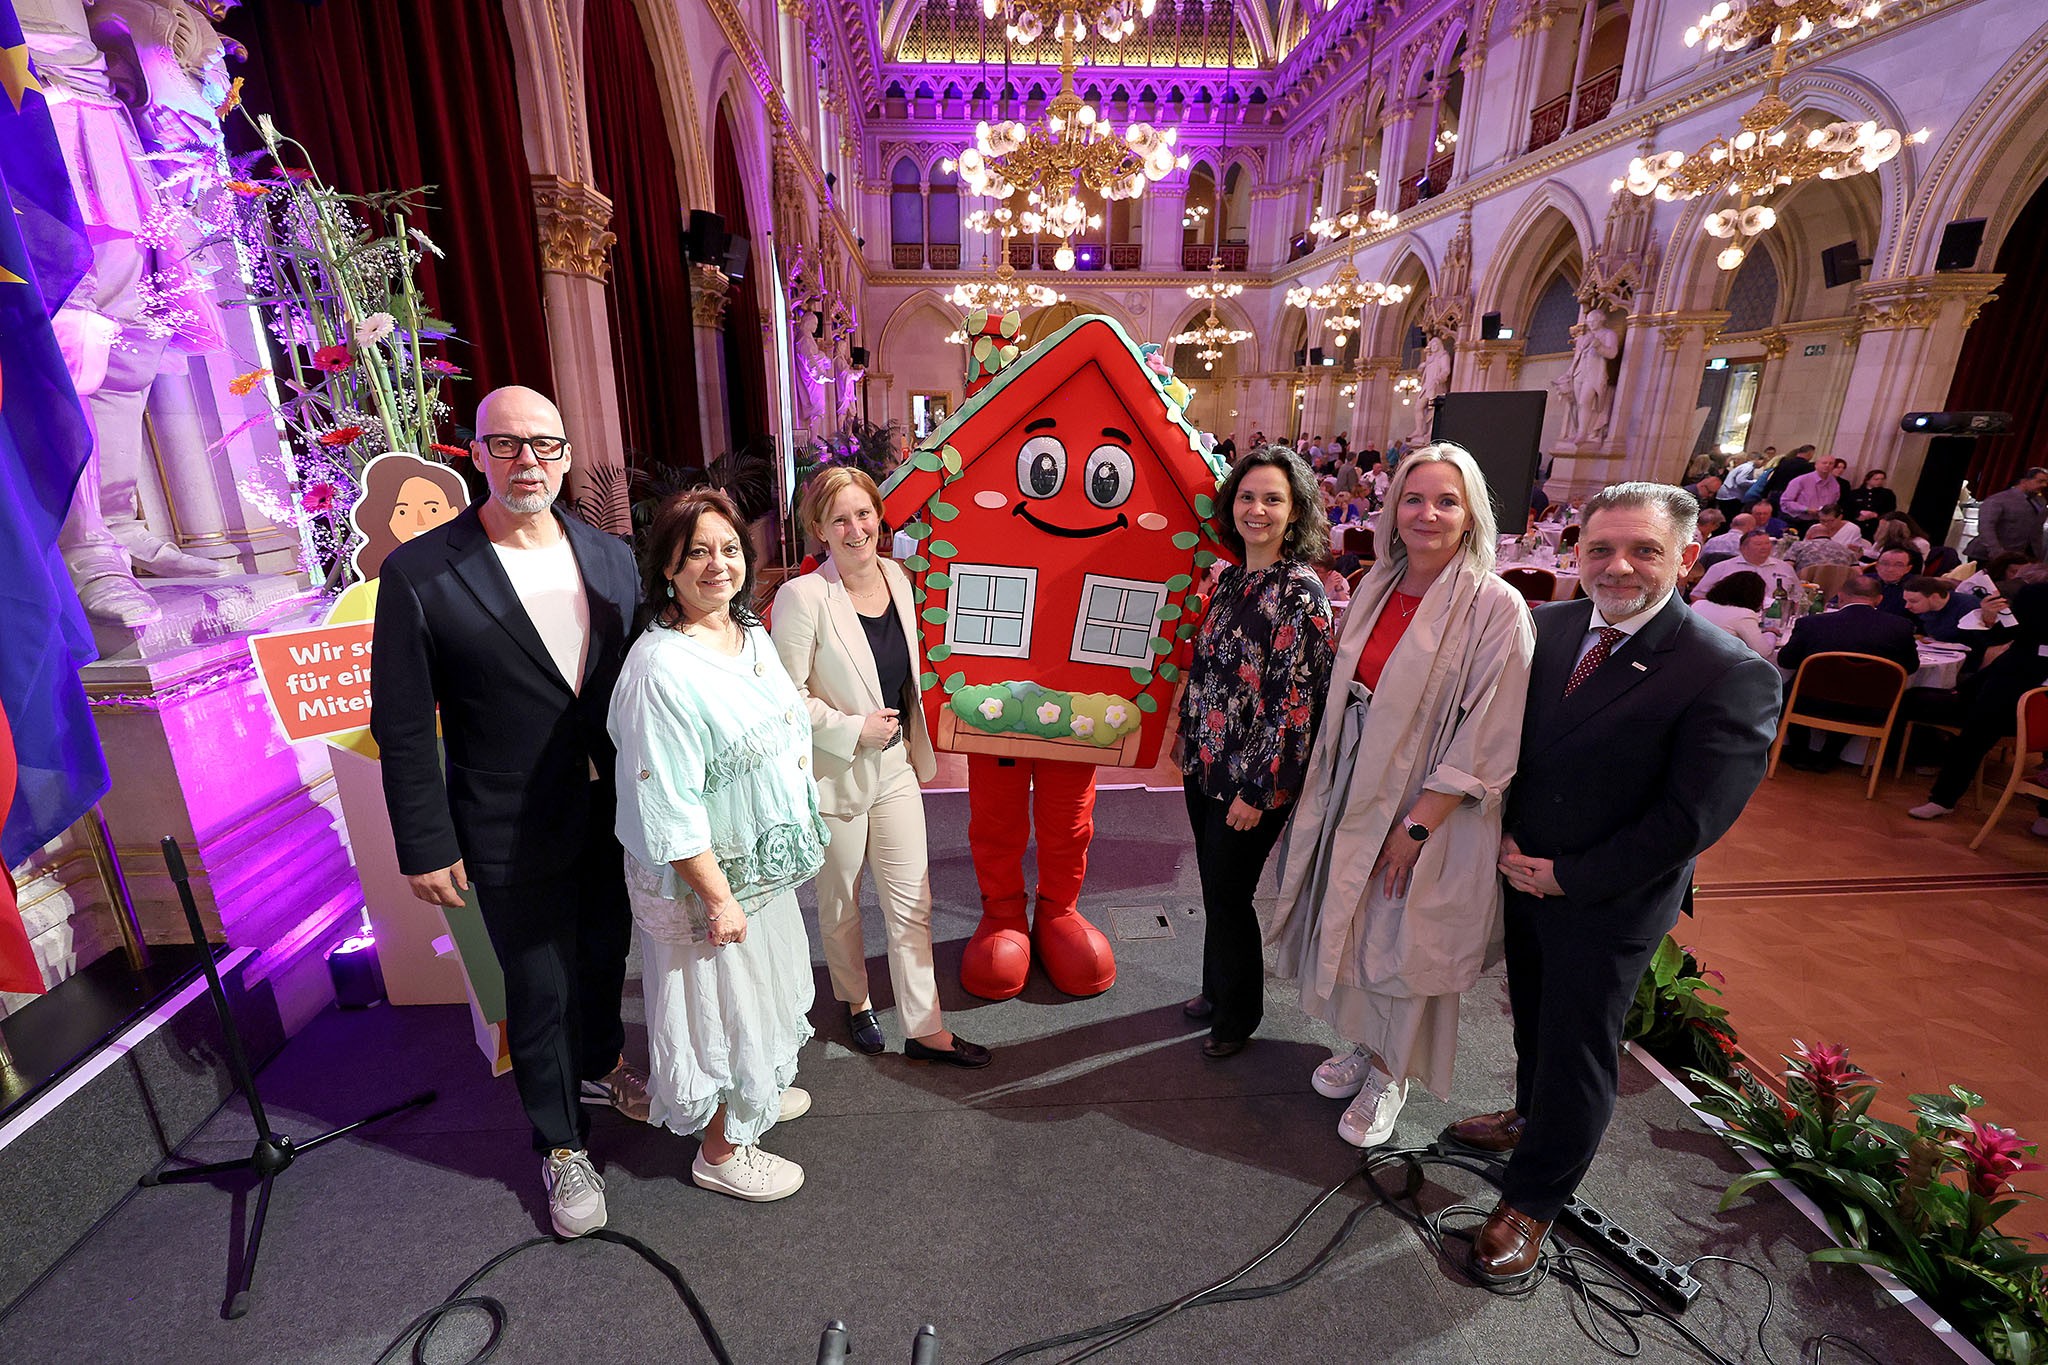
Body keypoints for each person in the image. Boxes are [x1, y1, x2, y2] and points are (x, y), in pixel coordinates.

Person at [1452, 482, 1780, 1287]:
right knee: (1532, 1015)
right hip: (1521, 872)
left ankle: (1534, 1198)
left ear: (1688, 557)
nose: (1618, 566)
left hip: (1608, 899)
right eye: (1600, 548)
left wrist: (1569, 877)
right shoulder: (1549, 626)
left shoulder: (1725, 670)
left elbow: (1688, 820)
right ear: (1576, 552)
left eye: (1644, 550)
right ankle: (1530, 1117)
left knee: (1579, 1049)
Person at [371, 387, 645, 1239]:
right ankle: (560, 1142)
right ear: (477, 453)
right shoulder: (422, 572)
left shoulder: (611, 555)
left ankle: (599, 1063)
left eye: (545, 444)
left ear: (566, 453)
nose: (529, 460)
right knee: (537, 985)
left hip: (613, 809)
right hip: (504, 820)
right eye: (508, 444)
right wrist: (424, 840)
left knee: (606, 954)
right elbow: (406, 723)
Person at [1267, 443, 1533, 1147]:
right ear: (1393, 509)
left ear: (1472, 514)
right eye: (1414, 499)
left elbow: (1490, 731)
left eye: (1447, 500)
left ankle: (1392, 1071)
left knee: (1403, 936)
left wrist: (1418, 825)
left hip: (1429, 802)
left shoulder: (1495, 605)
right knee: (1355, 920)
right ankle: (1362, 1041)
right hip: (1358, 778)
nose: (1428, 513)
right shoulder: (1380, 581)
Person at [610, 489, 829, 1203]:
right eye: (697, 551)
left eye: (729, 548)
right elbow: (665, 803)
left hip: (757, 867)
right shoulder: (659, 669)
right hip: (712, 885)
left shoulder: (749, 632)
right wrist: (717, 896)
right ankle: (721, 1147)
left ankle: (754, 1094)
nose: (717, 564)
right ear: (667, 566)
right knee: (725, 1007)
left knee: (761, 998)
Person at [770, 468, 990, 1069]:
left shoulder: (898, 577)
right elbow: (783, 697)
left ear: (879, 516)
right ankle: (856, 1000)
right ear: (818, 529)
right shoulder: (801, 597)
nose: (855, 528)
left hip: (894, 770)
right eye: (839, 518)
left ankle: (926, 1028)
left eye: (863, 513)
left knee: (911, 901)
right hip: (834, 775)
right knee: (840, 904)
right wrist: (850, 728)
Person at [1178, 447, 1338, 1059]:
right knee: (1216, 886)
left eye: (1273, 499)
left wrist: (1257, 789)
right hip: (1207, 763)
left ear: (1295, 512)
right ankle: (1217, 989)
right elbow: (1209, 675)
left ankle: (1237, 1015)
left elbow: (1297, 702)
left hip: (1254, 779)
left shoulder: (1300, 591)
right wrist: (1188, 743)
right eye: (1247, 497)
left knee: (1229, 892)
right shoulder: (1232, 578)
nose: (1257, 509)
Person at [1909, 581, 2048, 832]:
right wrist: (1989, 617)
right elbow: (2009, 633)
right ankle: (1943, 799)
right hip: (2014, 676)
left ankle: (2046, 813)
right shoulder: (2036, 592)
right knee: (1975, 735)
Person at [1773, 574, 1920, 771]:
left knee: (1786, 687)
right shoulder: (1901, 627)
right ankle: (1830, 754)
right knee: (1859, 689)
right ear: (1879, 599)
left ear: (1840, 596)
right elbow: (1910, 667)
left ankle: (1799, 750)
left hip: (1809, 702)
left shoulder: (1812, 624)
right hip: (1871, 707)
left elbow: (1785, 661)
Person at [1967, 468, 2048, 563]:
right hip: (1987, 556)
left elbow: (2037, 531)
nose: (2045, 485)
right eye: (2040, 481)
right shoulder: (1998, 500)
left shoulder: (2040, 502)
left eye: (2046, 482)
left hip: (2017, 556)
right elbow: (1986, 529)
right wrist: (1997, 553)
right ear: (2024, 481)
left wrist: (2037, 556)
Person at [1691, 570, 1776, 660]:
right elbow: (1763, 652)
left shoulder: (1699, 604)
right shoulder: (1743, 614)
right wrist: (1771, 634)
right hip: (1719, 664)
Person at [1693, 531, 1798, 599]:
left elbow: (1799, 596)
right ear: (1743, 548)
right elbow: (1697, 595)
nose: (1764, 547)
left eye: (1767, 543)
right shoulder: (1721, 568)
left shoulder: (1785, 568)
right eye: (1758, 544)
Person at [1901, 576, 1978, 643]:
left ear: (1935, 597)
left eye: (1913, 601)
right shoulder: (1923, 608)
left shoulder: (1968, 608)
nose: (1907, 606)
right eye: (1906, 601)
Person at [1780, 455, 1849, 528]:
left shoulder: (1835, 484)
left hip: (1819, 522)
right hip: (1796, 520)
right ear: (1816, 465)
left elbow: (1834, 503)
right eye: (1824, 463)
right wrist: (1806, 509)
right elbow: (1785, 502)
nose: (1827, 465)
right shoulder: (1800, 480)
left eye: (1831, 463)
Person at [1869, 546, 1922, 615]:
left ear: (1908, 569)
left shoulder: (1917, 587)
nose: (1890, 569)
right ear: (1877, 566)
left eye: (1898, 565)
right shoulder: (1865, 581)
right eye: (1885, 563)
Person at [1842, 468, 1896, 536]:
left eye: (1882, 479)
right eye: (1876, 479)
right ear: (1867, 480)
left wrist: (1876, 514)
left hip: (1876, 526)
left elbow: (1891, 510)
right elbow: (1847, 509)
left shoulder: (1888, 494)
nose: (1879, 481)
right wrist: (1858, 514)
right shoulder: (1855, 493)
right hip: (1857, 525)